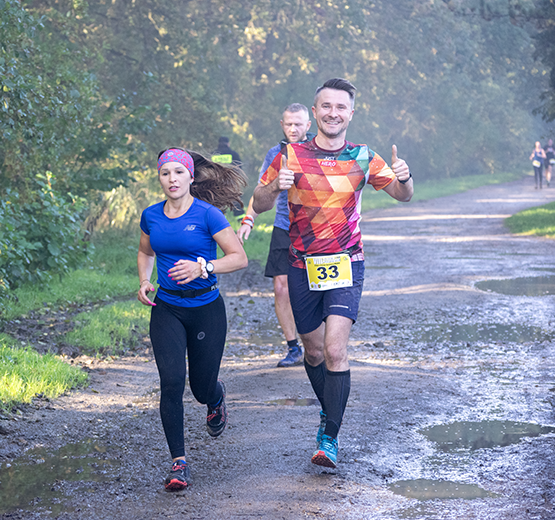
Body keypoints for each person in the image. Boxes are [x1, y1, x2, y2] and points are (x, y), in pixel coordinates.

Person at [252, 78, 413, 469]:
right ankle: (331, 412)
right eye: (326, 106)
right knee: (314, 351)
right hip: (301, 265)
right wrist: (275, 186)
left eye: (341, 107)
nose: (333, 113)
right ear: (315, 110)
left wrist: (404, 176)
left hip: (346, 262)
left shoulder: (363, 157)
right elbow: (256, 204)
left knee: (337, 350)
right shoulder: (288, 155)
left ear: (351, 113)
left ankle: (329, 436)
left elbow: (402, 196)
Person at [137, 148, 248, 491]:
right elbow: (145, 251)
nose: (172, 179)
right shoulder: (151, 216)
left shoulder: (208, 215)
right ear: (160, 178)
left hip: (205, 309)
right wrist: (144, 279)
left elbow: (239, 258)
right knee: (171, 382)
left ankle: (215, 398)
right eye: (165, 173)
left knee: (200, 388)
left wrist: (204, 266)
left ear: (190, 177)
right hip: (167, 308)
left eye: (178, 173)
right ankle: (178, 463)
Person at [237, 103, 314, 368]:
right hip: (284, 228)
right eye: (288, 124)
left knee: (313, 288)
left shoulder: (320, 150)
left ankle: (318, 344)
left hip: (316, 230)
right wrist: (249, 218)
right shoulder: (275, 153)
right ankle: (293, 348)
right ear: (282, 125)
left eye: (298, 124)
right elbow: (260, 192)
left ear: (308, 125)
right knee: (281, 288)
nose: (293, 129)